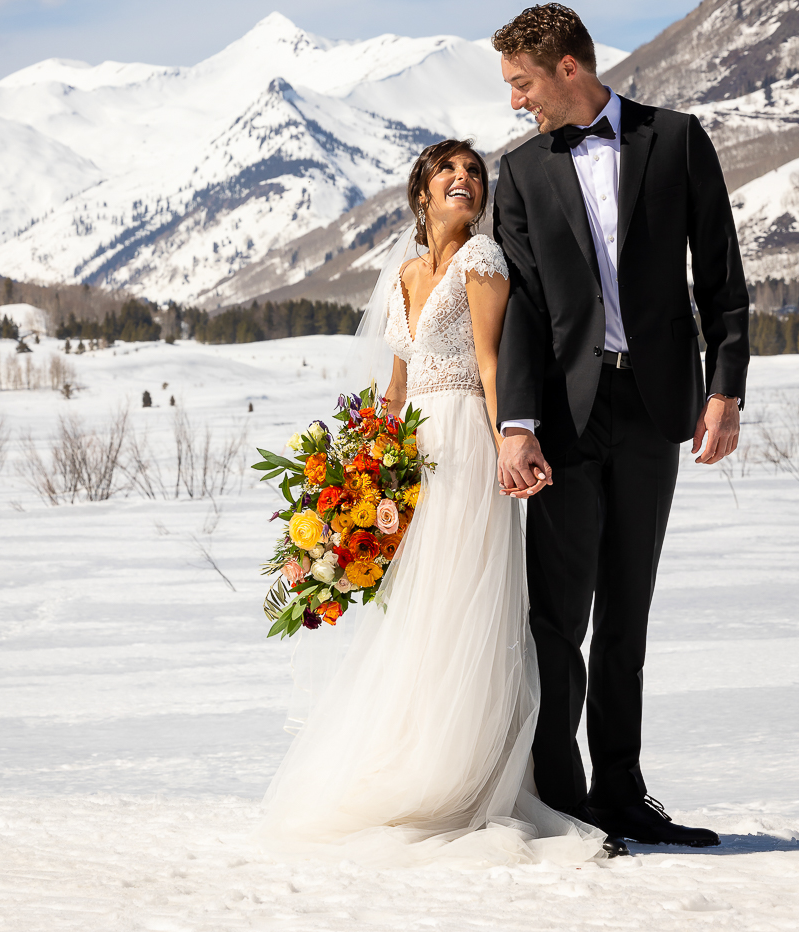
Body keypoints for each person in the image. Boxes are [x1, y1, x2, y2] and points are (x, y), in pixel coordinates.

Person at [256, 139, 608, 867]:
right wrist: (361, 481)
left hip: (469, 445)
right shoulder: (402, 275)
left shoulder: (481, 263)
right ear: (421, 191)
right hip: (413, 453)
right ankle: (411, 752)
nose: (464, 179)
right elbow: (393, 388)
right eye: (448, 170)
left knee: (464, 601)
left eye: (474, 173)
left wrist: (512, 442)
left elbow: (490, 363)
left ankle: (466, 773)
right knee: (418, 608)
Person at [492, 3, 749, 848]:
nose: (517, 102)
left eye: (522, 83)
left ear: (567, 67)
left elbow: (718, 277)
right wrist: (516, 423)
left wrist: (725, 389)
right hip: (561, 420)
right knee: (556, 616)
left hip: (652, 409)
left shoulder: (675, 140)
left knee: (627, 608)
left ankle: (623, 793)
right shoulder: (521, 171)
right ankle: (564, 800)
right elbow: (522, 312)